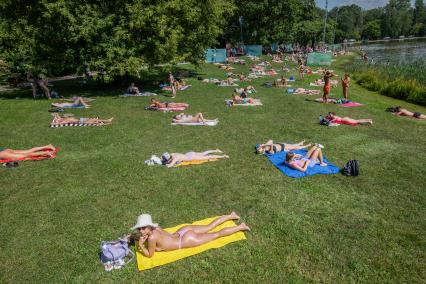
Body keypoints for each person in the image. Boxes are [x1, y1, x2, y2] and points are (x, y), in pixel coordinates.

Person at [132, 212, 250, 258]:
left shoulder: (151, 238)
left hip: (185, 241)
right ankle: (231, 216)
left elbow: (150, 255)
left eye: (143, 228)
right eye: (139, 228)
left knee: (216, 235)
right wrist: (134, 237)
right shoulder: (156, 228)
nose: (141, 231)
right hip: (182, 231)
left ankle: (241, 227)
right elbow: (165, 235)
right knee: (209, 227)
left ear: (149, 227)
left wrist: (142, 245)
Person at [161, 150, 229, 168]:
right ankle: (216, 150)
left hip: (191, 157)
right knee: (203, 153)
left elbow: (170, 166)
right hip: (189, 153)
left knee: (208, 157)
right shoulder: (172, 154)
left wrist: (165, 164)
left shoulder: (175, 158)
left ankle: (223, 156)